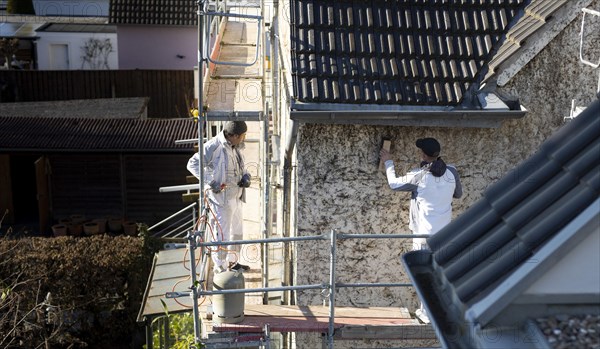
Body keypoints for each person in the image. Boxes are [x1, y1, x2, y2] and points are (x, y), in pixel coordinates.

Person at [380, 137, 462, 323]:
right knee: (440, 275)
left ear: (424, 155)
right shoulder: (452, 172)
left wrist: (388, 162)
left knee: (424, 275)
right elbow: (458, 194)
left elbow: (394, 184)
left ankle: (425, 314)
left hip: (424, 235)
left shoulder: (420, 175)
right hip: (445, 235)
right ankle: (443, 312)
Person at [187, 121, 252, 274]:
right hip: (221, 200)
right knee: (222, 233)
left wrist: (246, 176)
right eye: (242, 136)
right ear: (234, 135)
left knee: (237, 231)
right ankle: (220, 268)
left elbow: (240, 166)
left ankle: (233, 261)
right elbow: (192, 164)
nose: (244, 138)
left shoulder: (235, 146)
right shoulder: (214, 146)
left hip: (236, 197)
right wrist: (211, 182)